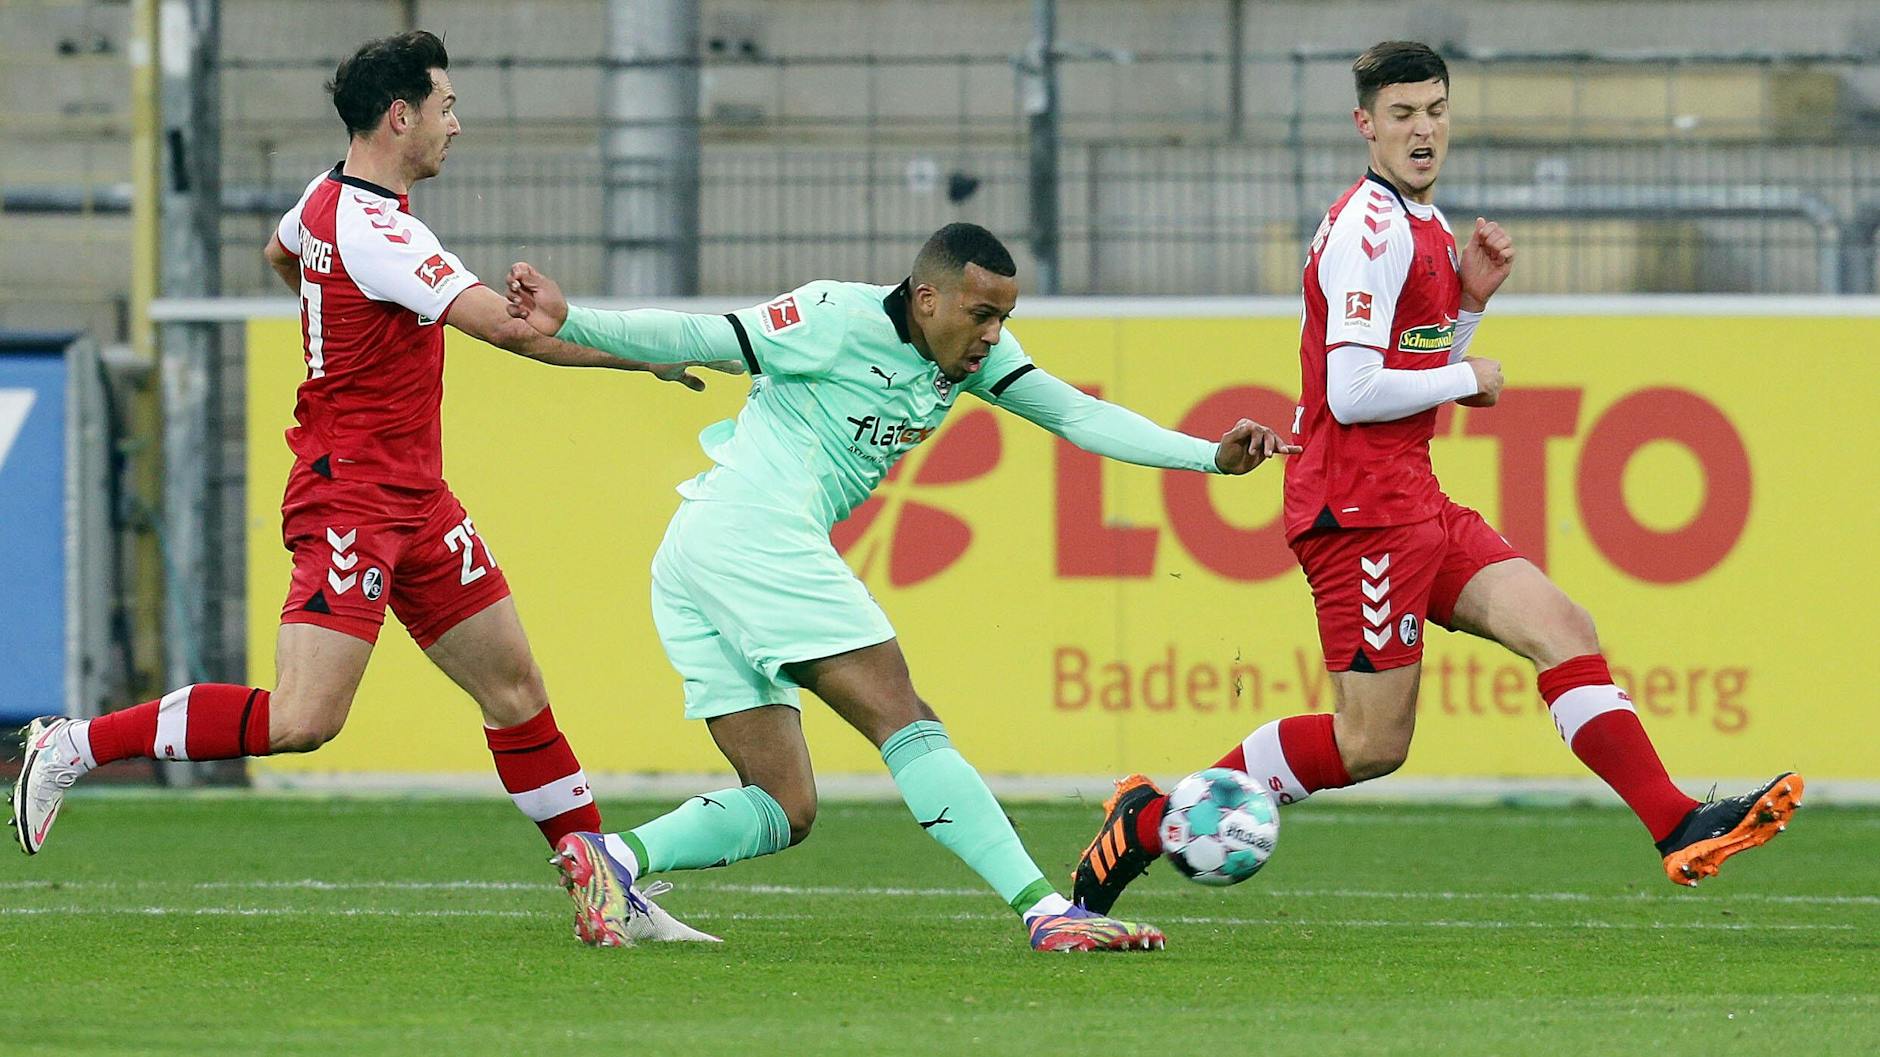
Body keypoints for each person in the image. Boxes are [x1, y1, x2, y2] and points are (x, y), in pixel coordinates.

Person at [10, 29, 714, 943]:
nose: (457, 124)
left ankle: (605, 890)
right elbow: (511, 331)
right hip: (351, 497)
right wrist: (643, 355)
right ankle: (73, 744)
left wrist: (332, 325)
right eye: (447, 107)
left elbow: (281, 254)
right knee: (305, 720)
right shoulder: (381, 231)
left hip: (418, 497)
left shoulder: (321, 201)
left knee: (515, 687)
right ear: (401, 115)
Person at [1071, 40, 1801, 915]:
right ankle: (1148, 822)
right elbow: (1353, 389)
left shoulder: (1424, 223)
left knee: (1562, 625)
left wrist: (1468, 305)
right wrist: (1471, 373)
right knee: (1371, 743)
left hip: (1411, 495)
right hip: (1358, 512)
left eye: (1436, 111)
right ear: (1366, 126)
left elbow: (1403, 369)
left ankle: (1676, 822)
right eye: (1403, 115)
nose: (1423, 130)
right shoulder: (1367, 229)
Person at [503, 222, 1297, 950]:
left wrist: (1207, 457)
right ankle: (1047, 910)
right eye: (980, 314)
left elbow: (1076, 416)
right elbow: (699, 336)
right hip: (753, 535)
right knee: (904, 716)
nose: (992, 335)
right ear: (927, 298)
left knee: (785, 804)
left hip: (704, 554)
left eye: (1003, 317)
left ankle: (611, 856)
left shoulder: (968, 356)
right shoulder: (831, 317)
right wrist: (570, 315)